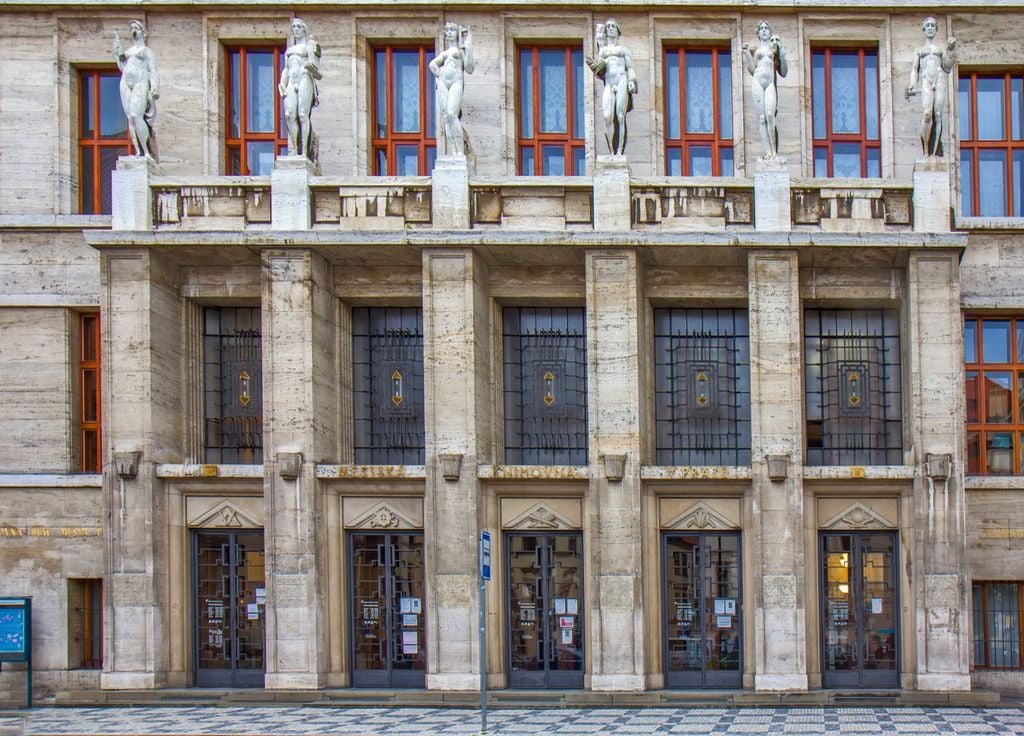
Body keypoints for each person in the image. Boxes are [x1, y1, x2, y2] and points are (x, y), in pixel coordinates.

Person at [586, 18, 637, 157]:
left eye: (613, 26)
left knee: (620, 117)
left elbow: (630, 68)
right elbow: (600, 72)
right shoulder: (603, 51)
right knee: (607, 116)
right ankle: (611, 150)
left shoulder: (623, 50)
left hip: (621, 80)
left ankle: (619, 151)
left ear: (618, 30)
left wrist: (632, 81)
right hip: (609, 83)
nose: (610, 28)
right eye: (608, 26)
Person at [906, 16, 956, 158]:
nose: (930, 28)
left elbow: (946, 67)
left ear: (936, 29)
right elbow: (914, 69)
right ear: (923, 29)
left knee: (938, 115)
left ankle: (934, 152)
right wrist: (912, 84)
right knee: (927, 114)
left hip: (939, 80)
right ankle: (926, 150)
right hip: (926, 81)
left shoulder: (940, 49)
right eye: (927, 25)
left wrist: (951, 50)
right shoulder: (919, 50)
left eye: (932, 25)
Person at [113, 20, 159, 160]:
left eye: (137, 28)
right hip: (126, 84)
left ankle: (147, 152)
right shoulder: (128, 52)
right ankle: (138, 152)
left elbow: (152, 70)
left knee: (136, 115)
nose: (134, 30)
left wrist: (155, 88)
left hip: (140, 82)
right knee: (130, 118)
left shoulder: (147, 51)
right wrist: (117, 55)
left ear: (144, 33)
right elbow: (123, 68)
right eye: (132, 28)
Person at [742, 20, 788, 160]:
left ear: (770, 32)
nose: (763, 30)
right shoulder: (756, 50)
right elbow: (752, 70)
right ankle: (768, 153)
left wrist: (781, 53)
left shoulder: (774, 49)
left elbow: (784, 72)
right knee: (762, 119)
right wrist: (746, 55)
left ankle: (774, 153)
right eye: (761, 28)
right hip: (757, 81)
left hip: (769, 83)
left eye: (766, 28)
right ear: (758, 32)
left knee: (770, 115)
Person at [278, 18, 322, 161]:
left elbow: (317, 72)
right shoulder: (289, 50)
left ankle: (304, 152)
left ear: (304, 30)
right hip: (291, 80)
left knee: (303, 114)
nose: (295, 29)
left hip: (304, 78)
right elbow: (286, 69)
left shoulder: (310, 45)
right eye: (294, 27)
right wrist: (282, 83)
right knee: (289, 114)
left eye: (298, 27)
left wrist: (310, 67)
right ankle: (296, 151)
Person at [429, 23, 474, 156]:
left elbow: (470, 68)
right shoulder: (444, 53)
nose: (449, 33)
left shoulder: (460, 51)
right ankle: (453, 151)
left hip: (456, 82)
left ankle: (460, 151)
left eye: (452, 30)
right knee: (446, 117)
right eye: (447, 30)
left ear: (457, 32)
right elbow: (432, 64)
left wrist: (469, 46)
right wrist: (440, 73)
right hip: (443, 82)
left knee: (452, 114)